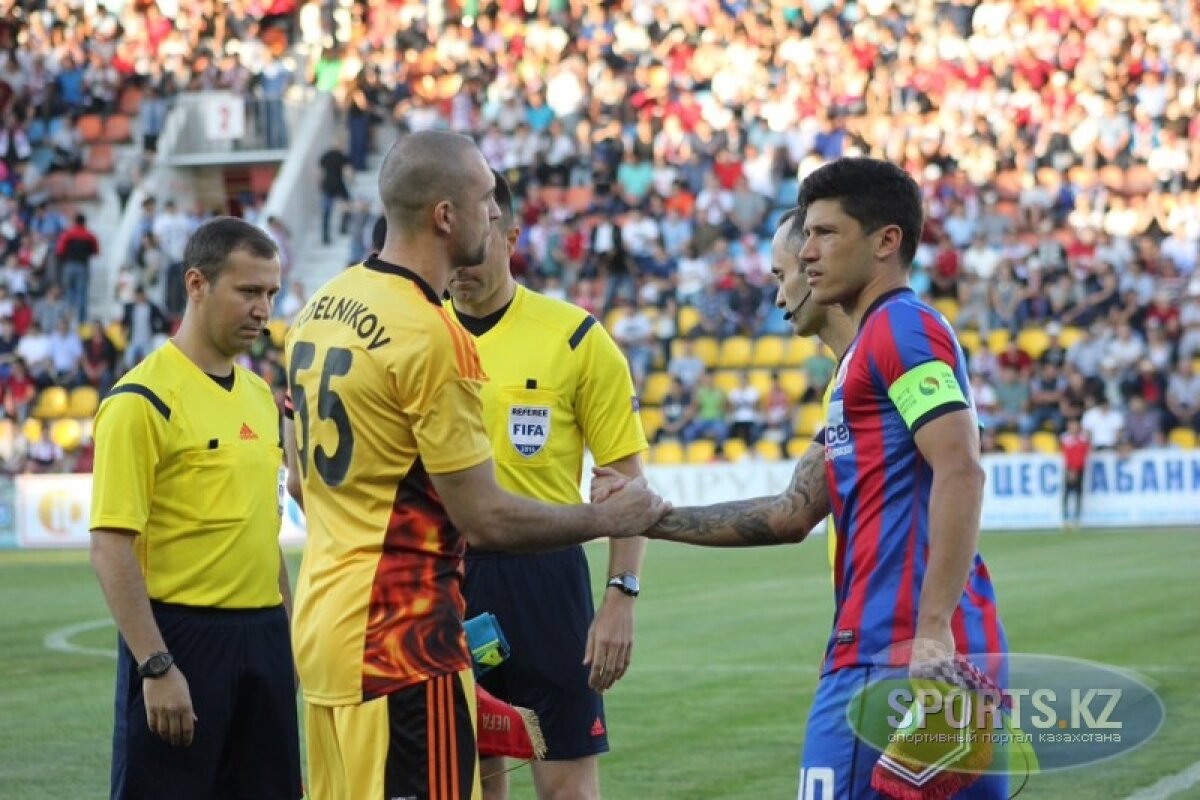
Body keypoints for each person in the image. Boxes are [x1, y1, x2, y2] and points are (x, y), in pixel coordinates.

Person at [596, 159, 1008, 799]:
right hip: (920, 656)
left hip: (892, 656)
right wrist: (648, 515)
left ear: (885, 242)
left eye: (822, 236)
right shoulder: (861, 364)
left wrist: (931, 631)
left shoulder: (903, 327)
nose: (806, 256)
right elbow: (793, 513)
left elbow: (961, 468)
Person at [284, 131, 667, 800]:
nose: (493, 213)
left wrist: (619, 593)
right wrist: (605, 516)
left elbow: (299, 481)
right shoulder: (433, 334)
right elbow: (483, 516)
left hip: (329, 618)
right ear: (445, 215)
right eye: (484, 197)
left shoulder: (319, 309)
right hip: (404, 626)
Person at [447, 171, 648, 800]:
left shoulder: (576, 338)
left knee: (566, 786)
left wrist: (620, 595)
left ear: (509, 236)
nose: (460, 267)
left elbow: (626, 483)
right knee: (464, 782)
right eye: (450, 252)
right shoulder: (417, 339)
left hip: (546, 578)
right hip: (446, 576)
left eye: (475, 249)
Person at [88, 217, 301, 800]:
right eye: (248, 291)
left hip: (263, 639)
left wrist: (287, 634)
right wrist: (156, 666)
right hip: (181, 640)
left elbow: (262, 529)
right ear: (197, 285)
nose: (264, 309)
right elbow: (110, 548)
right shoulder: (141, 401)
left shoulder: (261, 395)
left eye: (271, 294)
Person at [1060, 418, 1090, 529]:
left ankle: (1077, 519)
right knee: (1067, 494)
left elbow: (1082, 455)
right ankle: (1066, 519)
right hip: (1068, 469)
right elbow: (1066, 455)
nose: (1074, 428)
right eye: (1071, 426)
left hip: (1079, 469)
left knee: (1078, 494)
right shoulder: (1065, 439)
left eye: (1075, 426)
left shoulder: (1083, 439)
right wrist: (1070, 469)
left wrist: (1076, 469)